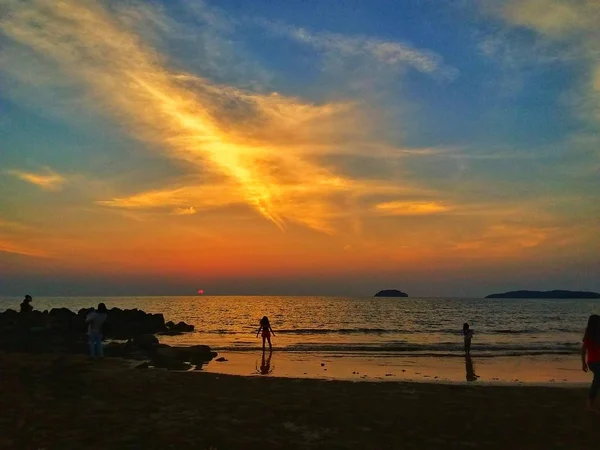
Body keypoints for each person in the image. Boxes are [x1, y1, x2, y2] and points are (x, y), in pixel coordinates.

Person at [582, 314, 600, 411]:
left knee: (597, 381)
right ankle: (589, 404)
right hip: (594, 362)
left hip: (596, 362)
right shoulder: (589, 336)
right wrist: (583, 363)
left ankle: (591, 403)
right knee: (597, 380)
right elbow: (583, 350)